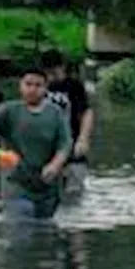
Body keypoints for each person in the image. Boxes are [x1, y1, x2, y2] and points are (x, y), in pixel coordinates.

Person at [0, 66, 72, 219]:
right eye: (28, 84)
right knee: (20, 225)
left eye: (38, 85)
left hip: (47, 186)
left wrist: (55, 165)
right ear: (20, 86)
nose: (32, 89)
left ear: (45, 88)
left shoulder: (55, 114)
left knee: (44, 231)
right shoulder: (9, 111)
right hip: (16, 182)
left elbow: (65, 144)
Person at [39, 49, 94, 197]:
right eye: (48, 73)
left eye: (54, 72)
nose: (51, 77)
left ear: (62, 67)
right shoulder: (39, 87)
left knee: (73, 194)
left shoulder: (74, 86)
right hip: (46, 149)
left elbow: (87, 113)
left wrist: (83, 139)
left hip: (72, 146)